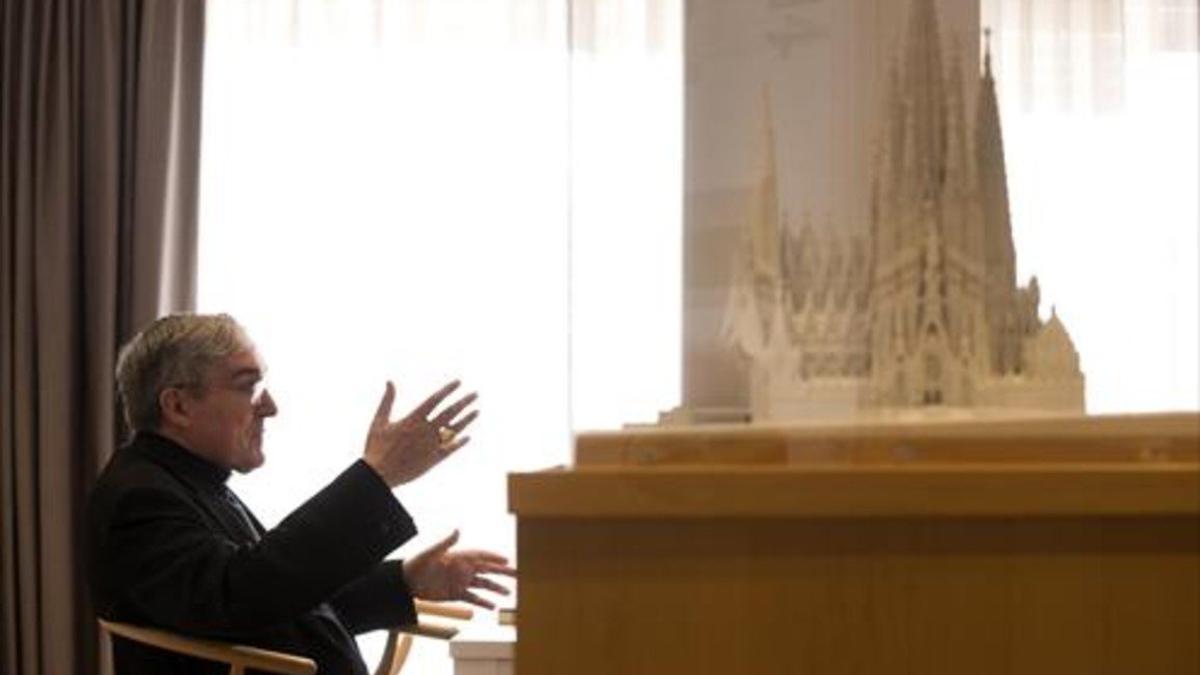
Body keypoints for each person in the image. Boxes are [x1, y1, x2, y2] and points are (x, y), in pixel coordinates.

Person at [87, 313, 515, 674]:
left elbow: (286, 602)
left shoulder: (188, 482)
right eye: (247, 385)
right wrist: (377, 476)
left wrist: (406, 581)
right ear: (178, 407)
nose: (270, 406)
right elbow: (243, 599)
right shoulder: (139, 497)